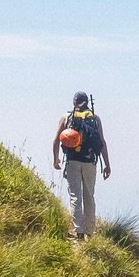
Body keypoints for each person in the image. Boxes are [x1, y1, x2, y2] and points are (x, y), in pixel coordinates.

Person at [51, 90, 110, 238]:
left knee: (75, 196)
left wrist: (56, 159)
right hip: (90, 162)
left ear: (74, 102)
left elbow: (56, 140)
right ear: (87, 103)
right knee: (89, 195)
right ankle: (90, 231)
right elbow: (102, 142)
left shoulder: (66, 117)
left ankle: (79, 231)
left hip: (72, 161)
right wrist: (107, 164)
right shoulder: (95, 119)